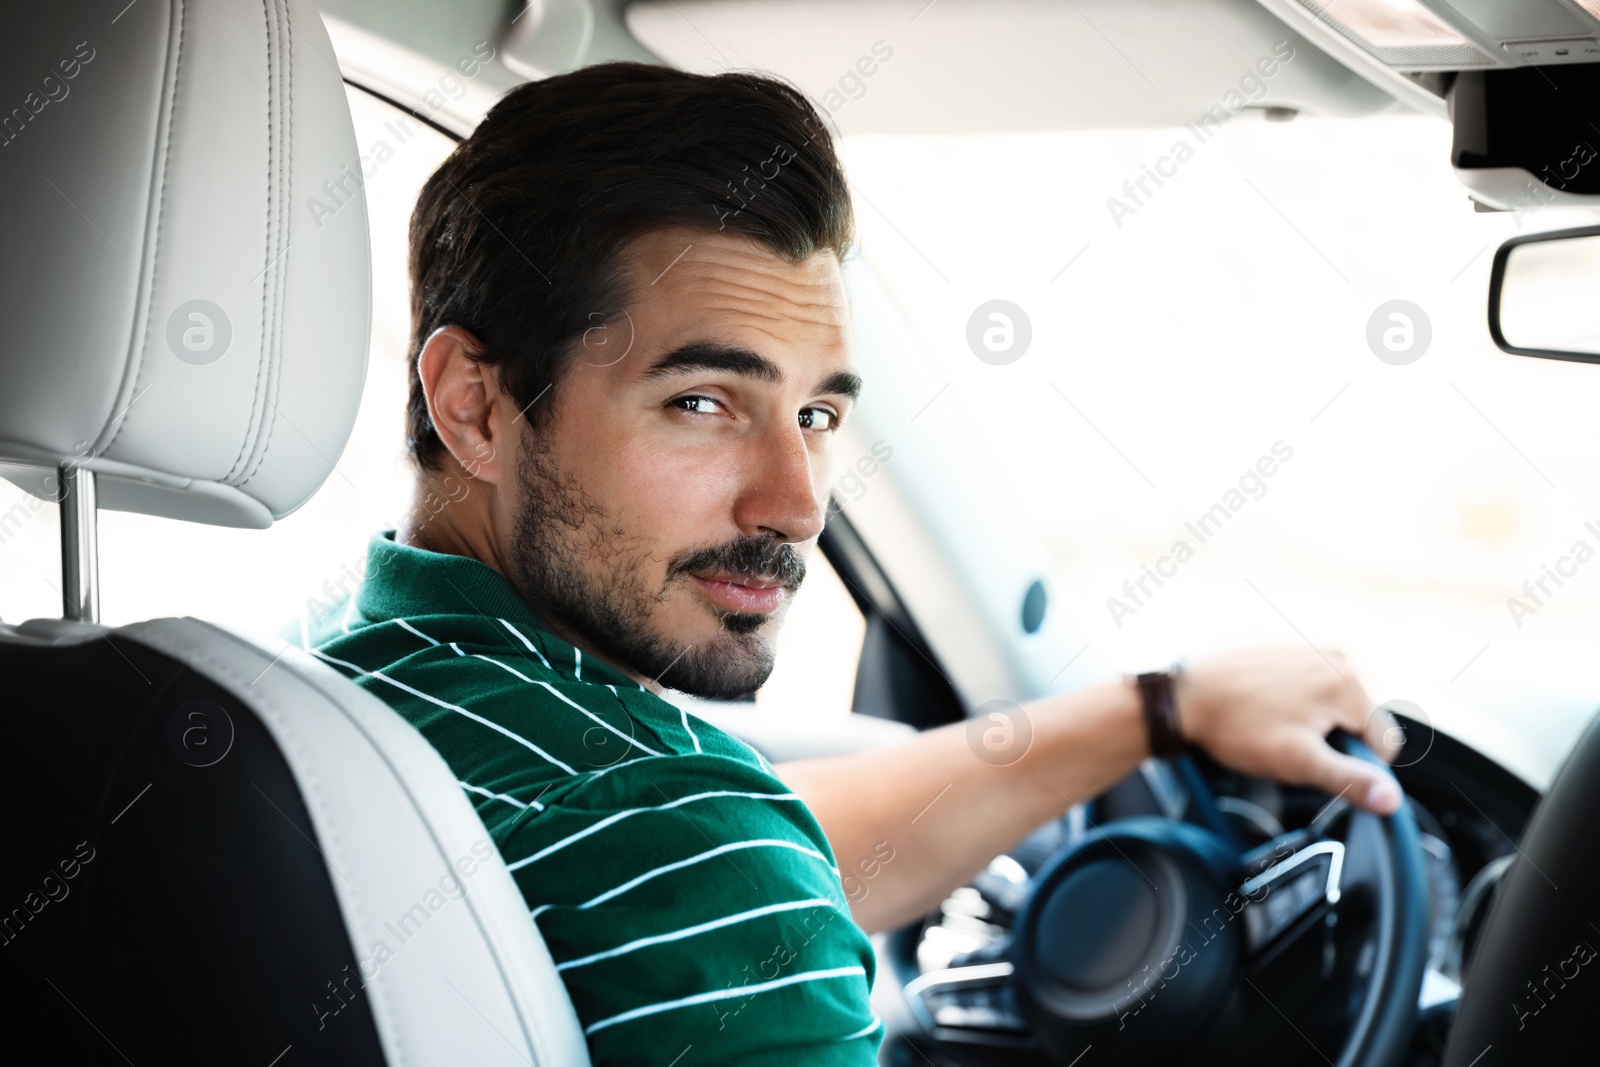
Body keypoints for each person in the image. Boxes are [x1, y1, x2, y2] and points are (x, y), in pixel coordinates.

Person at [301, 61, 1400, 1066]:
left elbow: (764, 842)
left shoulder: (339, 687)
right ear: (475, 405)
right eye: (701, 401)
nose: (796, 503)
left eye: (818, 412)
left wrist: (1158, 708)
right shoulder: (668, 833)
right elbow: (707, 853)